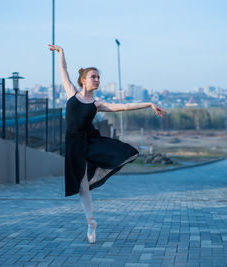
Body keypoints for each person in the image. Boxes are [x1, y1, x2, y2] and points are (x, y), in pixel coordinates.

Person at [48, 44, 167, 244]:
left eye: (98, 77)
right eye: (93, 76)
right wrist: (61, 53)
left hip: (91, 140)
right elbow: (63, 69)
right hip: (73, 145)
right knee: (82, 186)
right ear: (83, 80)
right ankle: (91, 222)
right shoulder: (71, 93)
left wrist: (148, 104)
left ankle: (100, 172)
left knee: (125, 152)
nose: (97, 80)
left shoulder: (97, 104)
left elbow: (124, 106)